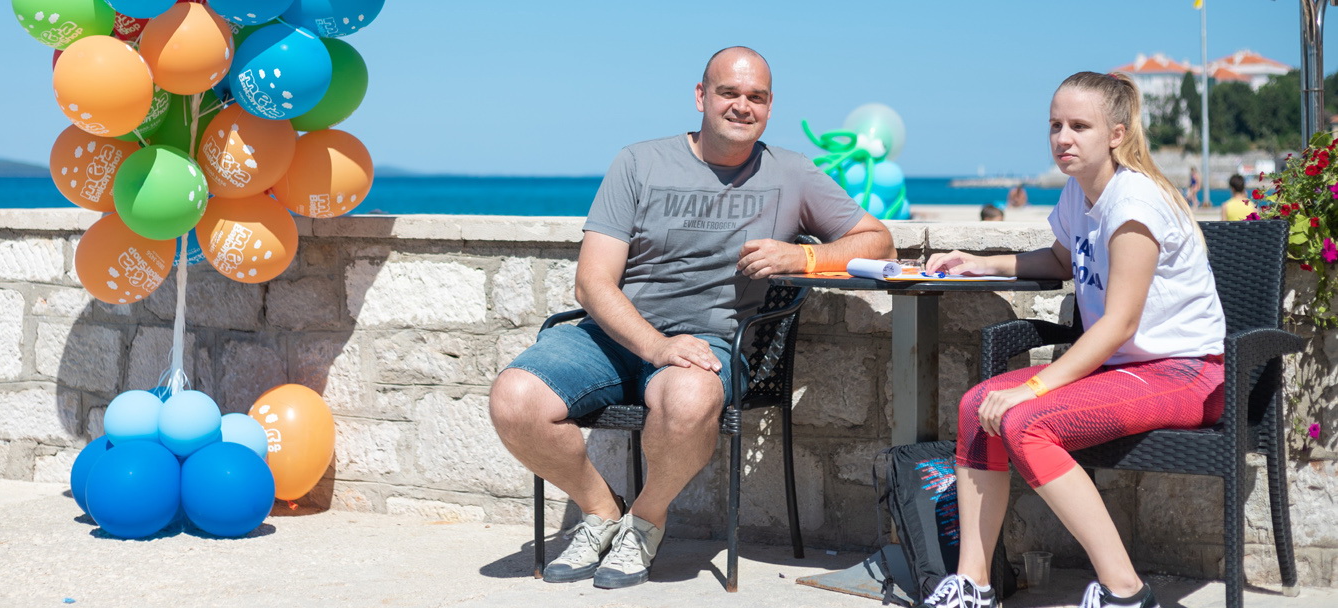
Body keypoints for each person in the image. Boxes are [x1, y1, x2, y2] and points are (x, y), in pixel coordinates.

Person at [488, 47, 894, 589]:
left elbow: (877, 238)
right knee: (514, 399)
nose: (742, 106)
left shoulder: (792, 173)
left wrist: (803, 257)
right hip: (614, 336)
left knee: (689, 398)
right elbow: (592, 282)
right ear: (701, 96)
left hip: (710, 342)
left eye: (757, 97)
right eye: (729, 92)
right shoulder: (639, 162)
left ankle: (646, 520)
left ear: (770, 107)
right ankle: (602, 508)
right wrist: (655, 345)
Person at [922, 72, 1225, 608]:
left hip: (1185, 371)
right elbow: (1062, 260)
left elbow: (1117, 324)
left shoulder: (1134, 204)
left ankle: (1126, 592)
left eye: (1079, 126)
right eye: (1055, 125)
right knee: (976, 407)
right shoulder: (1079, 191)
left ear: (1116, 132)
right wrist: (978, 262)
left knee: (1024, 419)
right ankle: (975, 584)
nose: (1063, 137)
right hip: (1126, 370)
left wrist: (1033, 388)